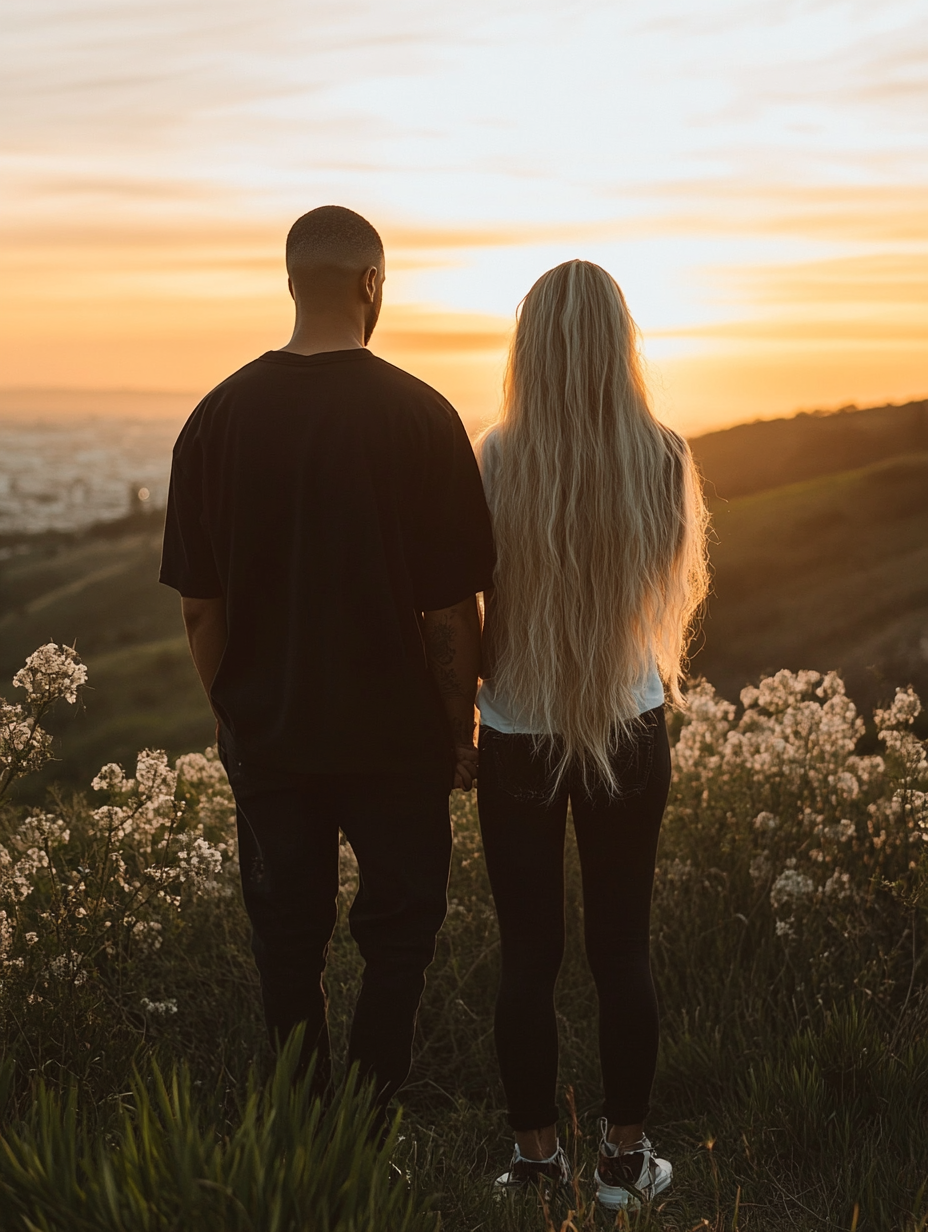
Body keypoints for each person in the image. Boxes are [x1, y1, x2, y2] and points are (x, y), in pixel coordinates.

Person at [159, 205, 496, 1111]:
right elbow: (451, 611)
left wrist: (236, 715)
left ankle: (303, 1121)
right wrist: (457, 725)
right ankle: (373, 1116)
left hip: (270, 739)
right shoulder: (425, 418)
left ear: (291, 281)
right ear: (373, 285)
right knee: (399, 936)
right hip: (397, 743)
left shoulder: (214, 420)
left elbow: (200, 609)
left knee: (286, 935)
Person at [476, 260, 709, 1209]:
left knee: (527, 950)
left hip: (516, 730)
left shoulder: (493, 456)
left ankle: (537, 1165)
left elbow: (472, 603)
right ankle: (624, 1161)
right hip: (628, 721)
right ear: (621, 343)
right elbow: (663, 603)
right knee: (624, 944)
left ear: (529, 346)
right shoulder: (662, 455)